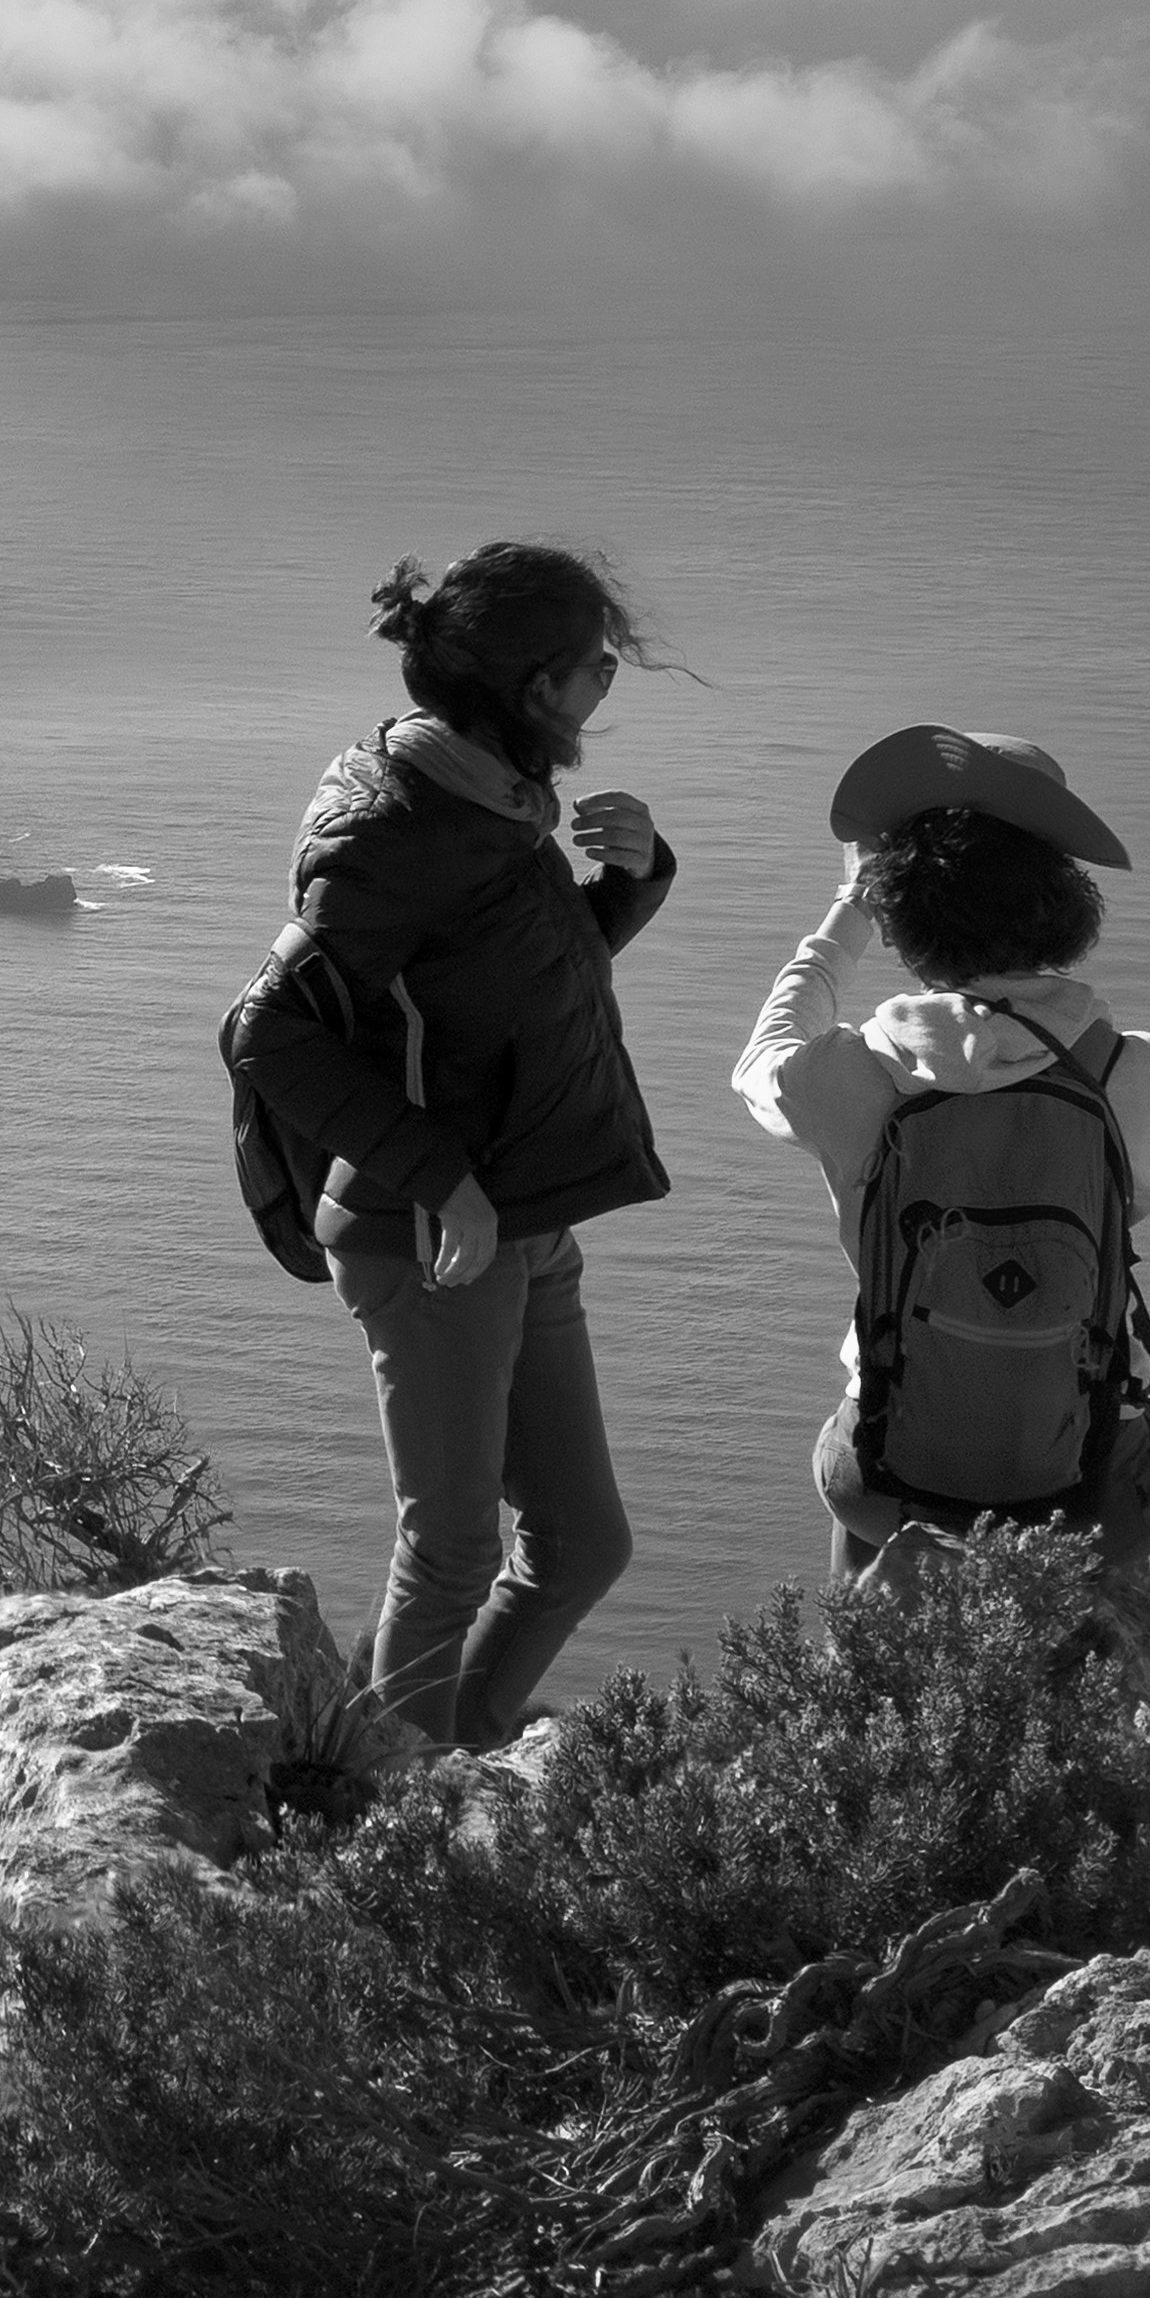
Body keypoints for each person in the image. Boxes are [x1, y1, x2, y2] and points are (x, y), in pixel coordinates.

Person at [229, 540, 675, 1751]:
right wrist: (444, 1182)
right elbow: (266, 1034)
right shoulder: (397, 827)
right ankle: (389, 1805)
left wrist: (626, 888)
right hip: (427, 1232)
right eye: (596, 666)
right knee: (456, 1544)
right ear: (532, 683)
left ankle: (455, 1755)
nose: (603, 688)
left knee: (582, 1539)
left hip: (520, 1215)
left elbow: (498, 998)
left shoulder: (494, 793)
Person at [730, 725, 1150, 1670]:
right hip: (1087, 1491)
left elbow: (760, 1058)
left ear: (903, 922)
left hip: (878, 1482)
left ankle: (866, 1693)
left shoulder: (843, 1077)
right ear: (1063, 903)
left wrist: (844, 914)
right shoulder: (1137, 1069)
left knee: (877, 1412)